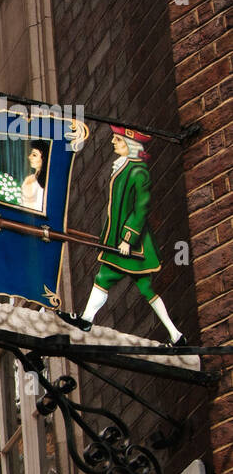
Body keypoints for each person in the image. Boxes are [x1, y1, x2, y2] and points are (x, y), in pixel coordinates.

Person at [58, 126, 187, 346]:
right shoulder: (123, 167)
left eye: (117, 139)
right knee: (129, 284)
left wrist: (127, 238)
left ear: (130, 145)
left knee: (116, 281)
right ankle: (175, 335)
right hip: (120, 240)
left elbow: (141, 207)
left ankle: (87, 320)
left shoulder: (138, 172)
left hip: (133, 244)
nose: (113, 143)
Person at [21, 144, 47, 211]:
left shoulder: (46, 182)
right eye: (31, 154)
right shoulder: (29, 178)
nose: (29, 157)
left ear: (43, 159)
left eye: (34, 155)